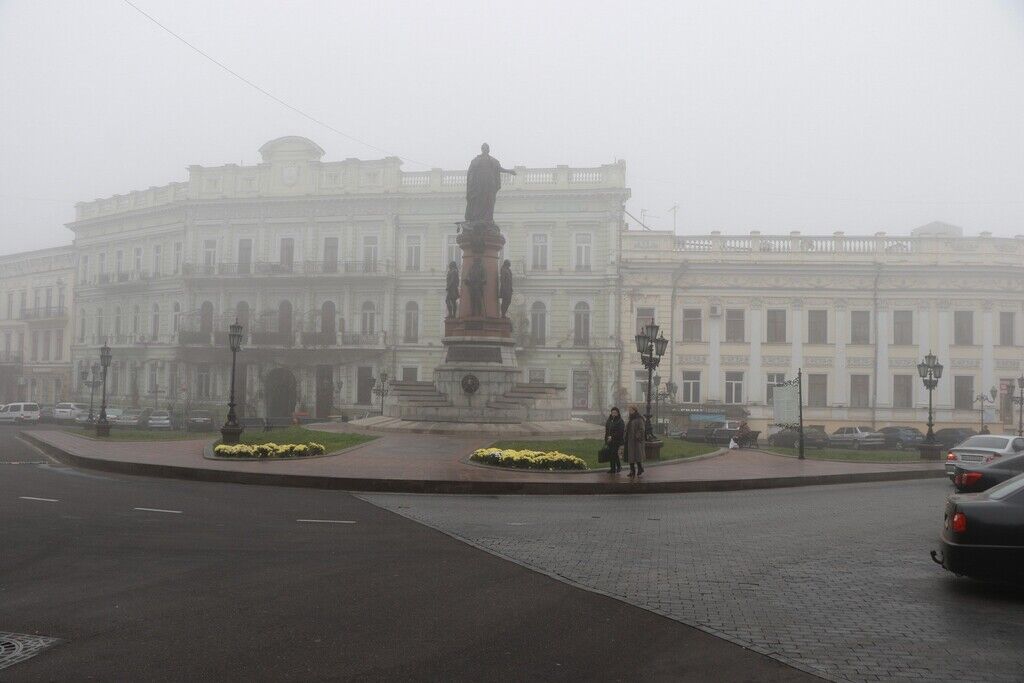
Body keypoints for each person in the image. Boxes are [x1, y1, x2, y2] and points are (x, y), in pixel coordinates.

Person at [624, 405, 646, 477]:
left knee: (638, 456)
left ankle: (640, 469)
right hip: (630, 441)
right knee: (631, 457)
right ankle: (632, 471)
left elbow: (642, 429)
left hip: (636, 441)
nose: (630, 411)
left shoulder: (639, 419)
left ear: (635, 410)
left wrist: (637, 436)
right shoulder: (630, 419)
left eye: (631, 410)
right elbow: (627, 428)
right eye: (629, 410)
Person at [604, 407, 625, 474]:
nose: (613, 414)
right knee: (612, 454)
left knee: (613, 453)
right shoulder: (609, 420)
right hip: (609, 441)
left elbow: (620, 432)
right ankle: (616, 467)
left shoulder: (620, 421)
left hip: (617, 441)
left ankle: (614, 469)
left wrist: (612, 437)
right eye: (612, 412)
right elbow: (607, 430)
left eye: (615, 413)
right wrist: (606, 439)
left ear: (618, 413)